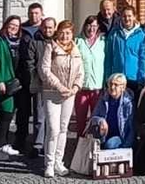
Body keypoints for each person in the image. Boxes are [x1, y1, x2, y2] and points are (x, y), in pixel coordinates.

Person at [39, 20, 84, 178]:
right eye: (63, 32)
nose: (65, 36)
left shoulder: (75, 48)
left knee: (64, 129)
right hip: (52, 92)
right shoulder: (51, 47)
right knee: (53, 129)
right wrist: (59, 86)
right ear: (58, 33)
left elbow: (81, 71)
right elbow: (44, 70)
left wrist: (76, 88)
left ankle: (59, 161)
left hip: (69, 94)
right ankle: (49, 164)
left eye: (68, 33)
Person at [21, 17, 57, 157]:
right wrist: (36, 78)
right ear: (41, 27)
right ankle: (38, 144)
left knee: (53, 116)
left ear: (54, 28)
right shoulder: (34, 42)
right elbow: (30, 62)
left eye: (50, 27)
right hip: (40, 83)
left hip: (55, 85)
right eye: (45, 27)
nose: (48, 30)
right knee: (40, 116)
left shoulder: (58, 42)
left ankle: (51, 143)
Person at [0, 15, 23, 162]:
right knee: (6, 115)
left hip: (16, 83)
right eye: (11, 25)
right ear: (6, 25)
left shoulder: (18, 42)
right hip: (5, 83)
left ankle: (3, 143)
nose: (13, 28)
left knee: (9, 114)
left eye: (16, 26)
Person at [15, 7, 47, 155]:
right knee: (23, 111)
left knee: (40, 113)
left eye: (36, 13)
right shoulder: (22, 30)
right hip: (23, 76)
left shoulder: (45, 30)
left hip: (39, 78)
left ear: (41, 14)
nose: (33, 15)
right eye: (31, 13)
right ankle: (20, 140)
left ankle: (38, 142)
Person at [105, 5, 145, 100]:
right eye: (124, 16)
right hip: (117, 78)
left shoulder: (141, 35)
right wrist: (108, 77)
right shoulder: (114, 34)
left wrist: (142, 77)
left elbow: (143, 58)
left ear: (134, 17)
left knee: (133, 108)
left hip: (134, 78)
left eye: (129, 16)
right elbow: (109, 57)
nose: (127, 19)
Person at [74, 15, 105, 137]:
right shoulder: (77, 41)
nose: (91, 29)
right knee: (80, 121)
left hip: (97, 88)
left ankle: (95, 145)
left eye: (94, 26)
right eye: (89, 25)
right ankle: (80, 146)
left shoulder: (103, 42)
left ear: (98, 27)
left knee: (96, 120)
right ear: (84, 26)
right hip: (82, 87)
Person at [89, 73, 134, 149]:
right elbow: (93, 117)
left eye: (116, 85)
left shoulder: (128, 103)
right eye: (110, 84)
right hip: (104, 134)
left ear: (122, 87)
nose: (112, 87)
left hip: (120, 136)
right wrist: (100, 120)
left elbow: (132, 127)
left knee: (110, 144)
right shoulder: (103, 98)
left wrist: (127, 146)